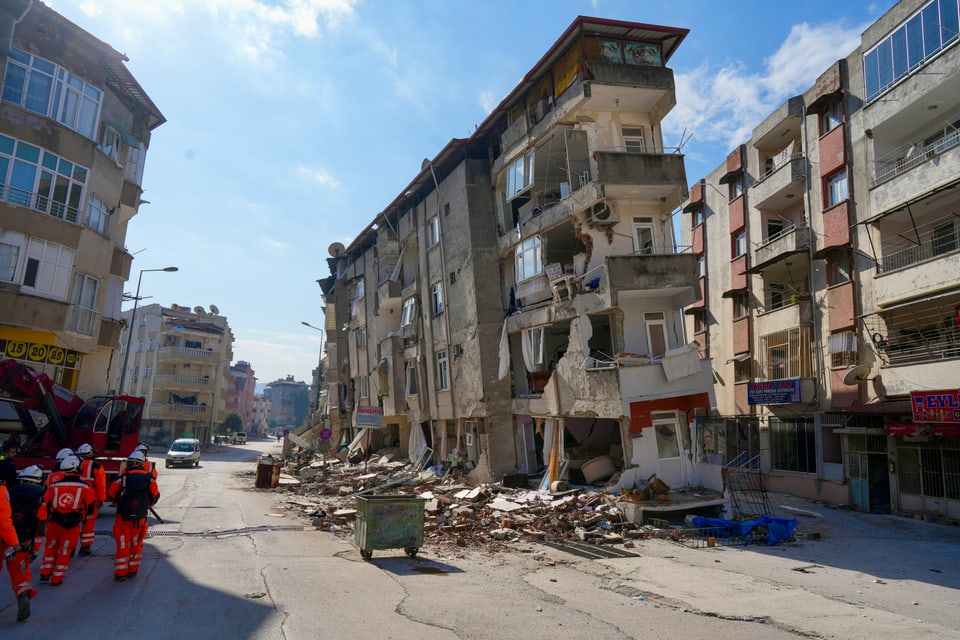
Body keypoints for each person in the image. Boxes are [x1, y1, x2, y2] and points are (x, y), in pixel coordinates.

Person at [39, 454, 95, 586]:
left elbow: (44, 503)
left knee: (51, 546)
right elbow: (90, 507)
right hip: (72, 523)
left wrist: (46, 519)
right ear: (76, 468)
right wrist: (83, 517)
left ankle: (45, 573)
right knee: (65, 550)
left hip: (54, 522)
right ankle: (57, 578)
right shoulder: (85, 486)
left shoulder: (54, 486)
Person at [107, 450, 159, 582]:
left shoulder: (123, 478)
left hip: (123, 518)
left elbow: (111, 494)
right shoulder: (149, 478)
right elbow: (155, 495)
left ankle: (120, 574)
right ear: (142, 463)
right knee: (136, 544)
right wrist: (147, 505)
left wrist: (119, 501)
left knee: (123, 545)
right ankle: (132, 571)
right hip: (140, 518)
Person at [3, 465, 45, 622]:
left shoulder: (8, 491)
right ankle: (23, 596)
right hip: (20, 544)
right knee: (20, 573)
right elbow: (39, 529)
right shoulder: (39, 500)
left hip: (2, 540)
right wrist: (34, 549)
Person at [76, 443, 106, 556]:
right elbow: (100, 485)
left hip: (76, 498)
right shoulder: (97, 466)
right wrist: (101, 499)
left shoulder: (72, 464)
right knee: (88, 523)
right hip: (90, 500)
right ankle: (85, 548)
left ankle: (70, 548)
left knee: (73, 524)